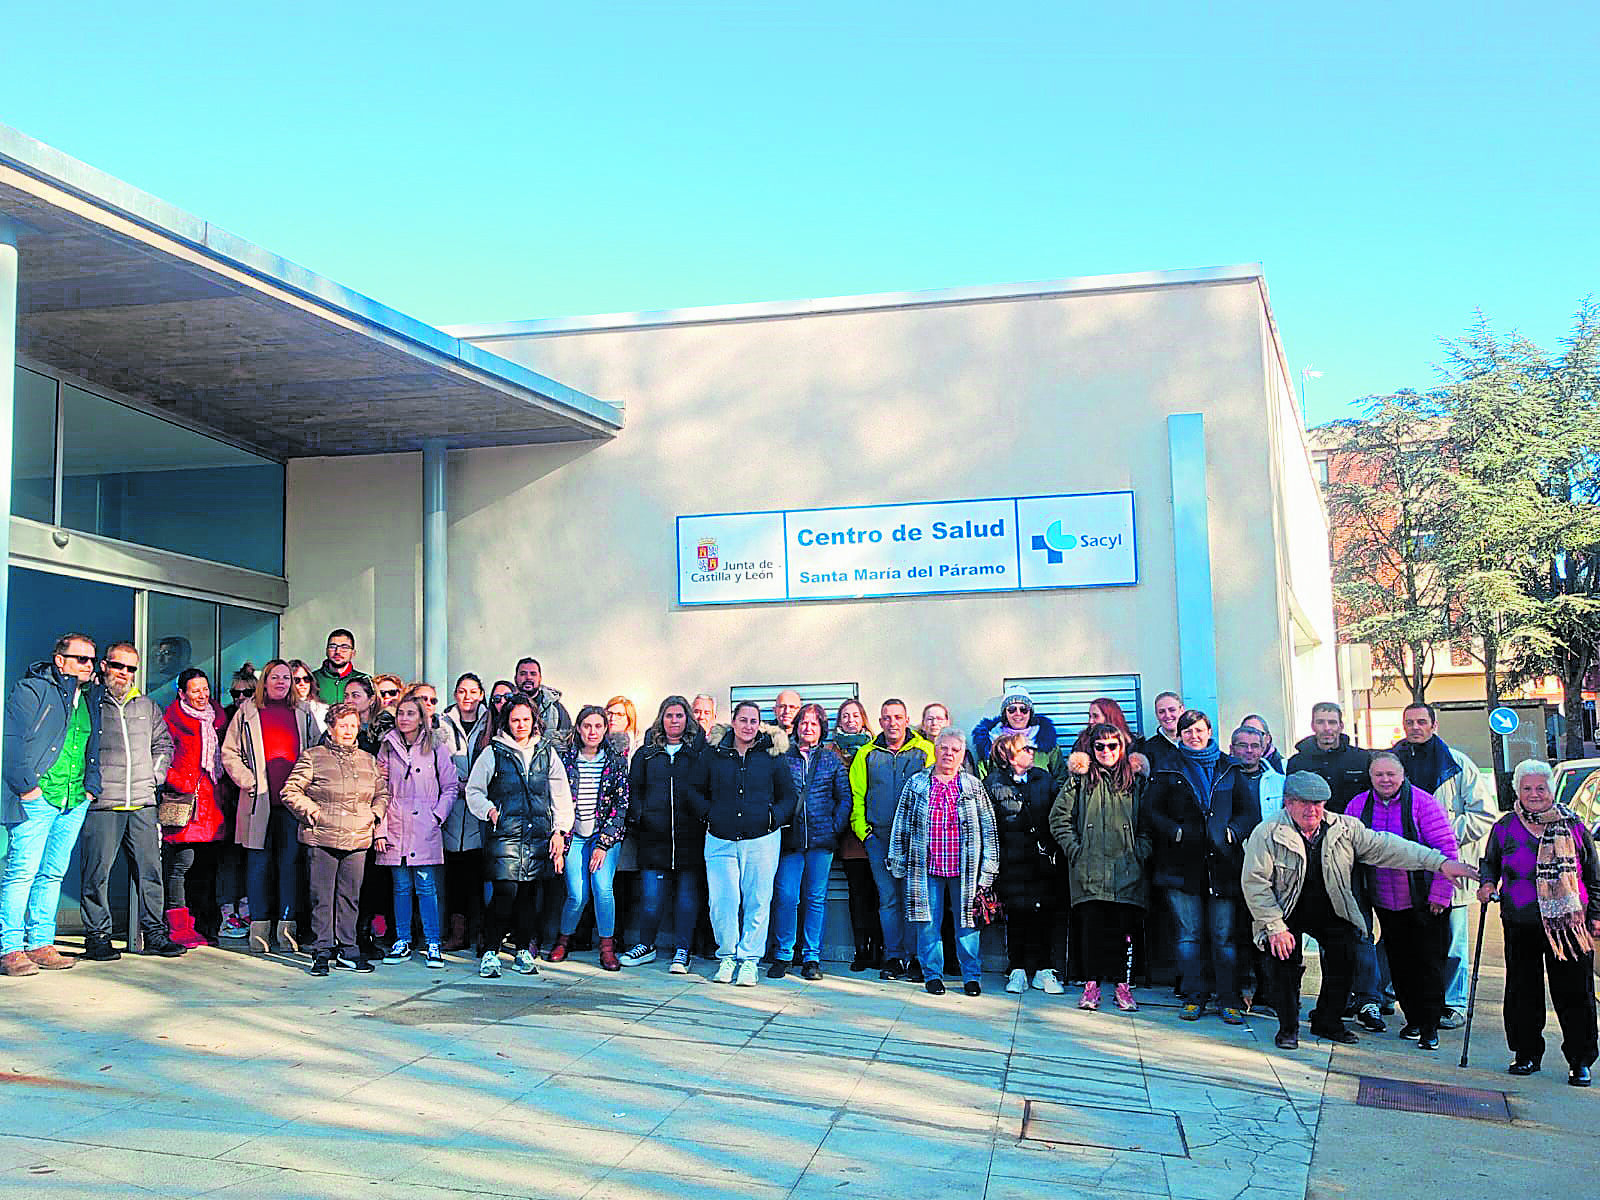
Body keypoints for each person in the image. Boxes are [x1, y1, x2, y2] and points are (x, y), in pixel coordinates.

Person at [1241, 771, 1476, 1051]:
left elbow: (1387, 846)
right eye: (1303, 802)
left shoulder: (1344, 828)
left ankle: (1328, 1021)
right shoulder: (1266, 833)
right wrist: (1275, 927)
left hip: (1332, 908)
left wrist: (1440, 863)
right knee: (1284, 960)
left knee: (1347, 955)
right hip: (1285, 909)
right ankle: (1288, 1027)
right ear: (1288, 803)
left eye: (1318, 803)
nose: (1311, 810)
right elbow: (1255, 884)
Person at [1478, 759, 1600, 1086]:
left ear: (1550, 789)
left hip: (1569, 926)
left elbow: (1594, 874)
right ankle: (1526, 1054)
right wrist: (1487, 885)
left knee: (1575, 993)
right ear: (1517, 790)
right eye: (1527, 788)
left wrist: (1597, 916)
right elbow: (1489, 863)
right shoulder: (1505, 827)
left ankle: (1580, 1060)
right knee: (1522, 991)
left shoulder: (1573, 826)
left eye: (1540, 788)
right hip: (1521, 922)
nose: (1534, 794)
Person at [1146, 709, 1260, 1023]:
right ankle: (1194, 997)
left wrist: (1232, 832)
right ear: (1180, 736)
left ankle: (1229, 999)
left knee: (1224, 938)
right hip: (1180, 868)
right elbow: (1151, 812)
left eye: (1199, 730)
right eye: (1187, 731)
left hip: (1222, 866)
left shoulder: (1229, 767)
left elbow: (1248, 813)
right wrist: (1176, 832)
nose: (1194, 736)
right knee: (1188, 937)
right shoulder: (1168, 768)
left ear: (1209, 731)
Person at [1, 633, 103, 976]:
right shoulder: (32, 690)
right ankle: (10, 948)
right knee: (21, 873)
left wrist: (91, 788)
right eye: (81, 659)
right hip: (39, 796)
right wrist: (27, 787)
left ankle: (41, 943)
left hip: (74, 799)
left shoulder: (90, 697)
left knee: (52, 873)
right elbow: (11, 741)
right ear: (60, 660)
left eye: (91, 660)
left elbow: (93, 746)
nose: (88, 665)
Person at [1345, 752, 1461, 1050]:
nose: (1385, 780)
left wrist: (1440, 894)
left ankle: (1430, 1025)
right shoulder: (1358, 806)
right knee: (1400, 964)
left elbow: (1446, 849)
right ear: (1370, 778)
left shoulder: (1423, 803)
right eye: (1379, 775)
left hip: (1424, 900)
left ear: (1402, 775)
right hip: (1384, 901)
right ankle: (1412, 1019)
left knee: (1428, 964)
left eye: (1391, 774)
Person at [1392, 701, 1497, 1029]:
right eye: (1409, 722)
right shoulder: (1391, 762)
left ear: (1434, 725)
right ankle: (1408, 997)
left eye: (1422, 721)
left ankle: (1453, 1003)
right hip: (1404, 865)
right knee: (1405, 936)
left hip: (1451, 863)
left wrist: (1441, 831)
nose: (1415, 727)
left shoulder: (1457, 763)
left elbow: (1484, 814)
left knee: (1452, 939)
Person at [79, 642, 180, 961]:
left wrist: (154, 777)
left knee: (150, 871)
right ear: (105, 666)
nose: (124, 673)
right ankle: (97, 936)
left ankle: (154, 934)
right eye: (118, 666)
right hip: (103, 804)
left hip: (142, 804)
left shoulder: (146, 706)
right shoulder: (91, 703)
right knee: (97, 873)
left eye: (131, 668)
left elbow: (164, 744)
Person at [465, 695, 573, 978]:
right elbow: (474, 790)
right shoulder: (494, 752)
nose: (521, 725)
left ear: (534, 720)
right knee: (505, 893)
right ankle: (490, 950)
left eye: (526, 719)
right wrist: (490, 811)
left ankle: (523, 949)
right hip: (506, 835)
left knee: (528, 895)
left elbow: (560, 795)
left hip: (537, 835)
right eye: (515, 720)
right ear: (507, 721)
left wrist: (559, 831)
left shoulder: (546, 752)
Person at [281, 702, 390, 975]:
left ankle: (348, 950)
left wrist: (373, 816)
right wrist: (315, 813)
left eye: (353, 725)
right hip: (322, 837)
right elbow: (290, 791)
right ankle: (322, 950)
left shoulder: (367, 760)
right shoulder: (313, 756)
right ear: (331, 727)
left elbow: (382, 793)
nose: (349, 731)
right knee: (322, 897)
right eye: (343, 725)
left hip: (357, 838)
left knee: (350, 897)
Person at [221, 659, 322, 954]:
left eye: (286, 678)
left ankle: (287, 929)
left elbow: (316, 751)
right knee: (258, 866)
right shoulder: (248, 711)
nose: (281, 682)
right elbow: (230, 752)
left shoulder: (303, 713)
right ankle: (260, 929)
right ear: (265, 681)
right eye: (275, 677)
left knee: (290, 865)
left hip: (293, 803)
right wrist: (248, 780)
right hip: (258, 802)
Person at [887, 727, 998, 997]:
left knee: (967, 925)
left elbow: (989, 828)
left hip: (965, 869)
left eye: (955, 750)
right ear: (935, 750)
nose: (948, 754)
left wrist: (988, 869)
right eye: (944, 748)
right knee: (927, 923)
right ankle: (932, 975)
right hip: (925, 867)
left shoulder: (972, 785)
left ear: (963, 755)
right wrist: (897, 859)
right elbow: (901, 823)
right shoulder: (917, 783)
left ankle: (971, 977)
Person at [696, 699, 797, 986]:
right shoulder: (715, 753)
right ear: (734, 721)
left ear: (759, 724)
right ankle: (727, 957)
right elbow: (693, 790)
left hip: (762, 840)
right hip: (720, 839)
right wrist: (710, 816)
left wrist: (771, 818)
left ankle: (750, 960)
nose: (748, 726)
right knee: (723, 901)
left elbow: (788, 796)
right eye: (743, 720)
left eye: (753, 721)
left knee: (757, 900)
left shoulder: (771, 754)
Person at [1052, 722, 1152, 1011]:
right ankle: (1091, 986)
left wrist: (1138, 851)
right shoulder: (1080, 780)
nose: (1106, 752)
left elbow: (1148, 822)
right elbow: (1059, 818)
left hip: (1127, 869)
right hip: (1090, 870)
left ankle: (1123, 987)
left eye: (1112, 746)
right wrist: (1076, 850)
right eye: (1100, 746)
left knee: (1124, 932)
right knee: (1092, 931)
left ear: (1122, 748)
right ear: (1091, 749)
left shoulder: (1136, 780)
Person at [849, 699, 935, 981]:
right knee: (888, 900)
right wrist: (865, 832)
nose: (892, 722)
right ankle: (894, 957)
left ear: (907, 719)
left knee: (914, 899)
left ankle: (916, 959)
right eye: (887, 717)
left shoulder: (925, 751)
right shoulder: (866, 753)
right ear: (881, 721)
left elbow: (936, 792)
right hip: (880, 837)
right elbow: (856, 796)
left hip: (916, 838)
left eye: (898, 717)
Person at [620, 696, 708, 971]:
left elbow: (707, 790)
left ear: (687, 720)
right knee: (651, 900)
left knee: (686, 900)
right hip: (653, 840)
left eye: (679, 716)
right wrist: (640, 819)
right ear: (661, 719)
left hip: (689, 840)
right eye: (669, 716)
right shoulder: (646, 755)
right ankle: (645, 945)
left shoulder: (697, 755)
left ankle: (683, 950)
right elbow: (633, 791)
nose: (674, 721)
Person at [375, 695, 458, 967]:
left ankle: (432, 941)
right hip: (395, 822)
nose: (404, 718)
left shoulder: (436, 746)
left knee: (426, 885)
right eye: (401, 713)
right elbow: (379, 788)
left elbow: (450, 786)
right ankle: (402, 940)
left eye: (411, 713)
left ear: (422, 717)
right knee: (400, 887)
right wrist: (381, 828)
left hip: (424, 824)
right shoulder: (387, 746)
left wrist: (437, 816)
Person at [772, 703, 852, 979]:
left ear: (822, 729)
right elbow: (774, 795)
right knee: (786, 897)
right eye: (804, 723)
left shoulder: (831, 760)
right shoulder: (783, 758)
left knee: (816, 898)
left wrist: (832, 829)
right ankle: (784, 954)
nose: (808, 728)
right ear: (796, 727)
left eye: (814, 724)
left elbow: (845, 799)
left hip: (821, 841)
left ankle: (811, 957)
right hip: (790, 841)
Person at [985, 731, 1064, 994]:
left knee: (1044, 914)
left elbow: (1057, 813)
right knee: (1016, 914)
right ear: (1009, 755)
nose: (1031, 752)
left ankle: (1044, 969)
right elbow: (990, 825)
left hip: (1042, 861)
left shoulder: (1044, 778)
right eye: (1024, 749)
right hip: (1011, 861)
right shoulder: (993, 783)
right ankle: (1016, 969)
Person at [550, 706, 629, 969]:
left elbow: (621, 805)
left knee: (603, 889)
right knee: (577, 894)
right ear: (579, 729)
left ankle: (607, 947)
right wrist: (559, 835)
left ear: (605, 729)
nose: (592, 731)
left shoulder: (615, 761)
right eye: (587, 726)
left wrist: (604, 843)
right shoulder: (566, 760)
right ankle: (564, 939)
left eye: (598, 726)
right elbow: (555, 799)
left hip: (603, 836)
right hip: (575, 835)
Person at [161, 667, 232, 948]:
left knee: (207, 866)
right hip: (185, 803)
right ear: (182, 693)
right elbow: (161, 757)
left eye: (205, 689)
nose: (202, 695)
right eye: (195, 691)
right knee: (181, 865)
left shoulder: (220, 719)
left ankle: (205, 924)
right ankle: (179, 926)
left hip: (214, 803)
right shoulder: (171, 720)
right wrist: (180, 781)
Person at [438, 673, 491, 951]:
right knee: (456, 876)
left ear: (481, 694)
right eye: (461, 691)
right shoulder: (443, 723)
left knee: (479, 875)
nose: (467, 697)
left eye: (473, 691)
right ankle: (457, 933)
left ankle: (481, 932)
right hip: (453, 810)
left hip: (481, 810)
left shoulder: (490, 721)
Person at [832, 699, 879, 971]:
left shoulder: (876, 748)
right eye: (845, 715)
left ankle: (880, 949)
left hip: (875, 832)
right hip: (850, 837)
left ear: (863, 718)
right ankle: (861, 949)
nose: (851, 719)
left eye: (855, 715)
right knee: (859, 895)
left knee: (881, 895)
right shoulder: (832, 751)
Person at [215, 663, 259, 940]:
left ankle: (247, 908)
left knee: (250, 859)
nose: (240, 699)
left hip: (255, 800)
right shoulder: (226, 719)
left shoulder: (258, 718)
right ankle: (227, 914)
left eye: (246, 693)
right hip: (228, 800)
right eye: (235, 694)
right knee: (229, 860)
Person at [1286, 702, 1371, 811]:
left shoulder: (1362, 759)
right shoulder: (1297, 762)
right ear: (1312, 726)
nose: (1326, 728)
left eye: (1332, 722)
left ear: (1341, 726)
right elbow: (1290, 802)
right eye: (1320, 722)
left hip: (1353, 824)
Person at [971, 688, 1064, 782]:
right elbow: (983, 782)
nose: (1018, 714)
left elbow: (1061, 779)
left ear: (1030, 713)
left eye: (1024, 709)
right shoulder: (990, 744)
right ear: (1005, 713)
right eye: (1012, 709)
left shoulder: (1046, 743)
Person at [1231, 726, 1285, 823]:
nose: (1249, 750)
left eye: (1255, 746)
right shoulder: (1220, 781)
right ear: (1231, 748)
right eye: (1243, 745)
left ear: (1262, 749)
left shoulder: (1280, 783)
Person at [514, 657, 572, 739]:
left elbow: (565, 742)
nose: (528, 677)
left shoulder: (556, 709)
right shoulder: (505, 705)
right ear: (515, 678)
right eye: (523, 674)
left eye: (533, 674)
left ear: (540, 678)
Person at [311, 629, 360, 705]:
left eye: (344, 647)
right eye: (333, 646)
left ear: (353, 653)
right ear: (326, 651)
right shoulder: (311, 680)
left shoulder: (364, 680)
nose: (337, 651)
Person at [1138, 691, 1185, 773]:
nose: (1167, 715)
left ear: (1182, 710)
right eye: (1161, 712)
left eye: (1172, 710)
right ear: (1156, 714)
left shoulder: (1195, 742)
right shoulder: (1148, 749)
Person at [288, 660, 326, 725]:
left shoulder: (323, 710)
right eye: (296, 680)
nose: (302, 683)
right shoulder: (282, 710)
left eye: (306, 679)